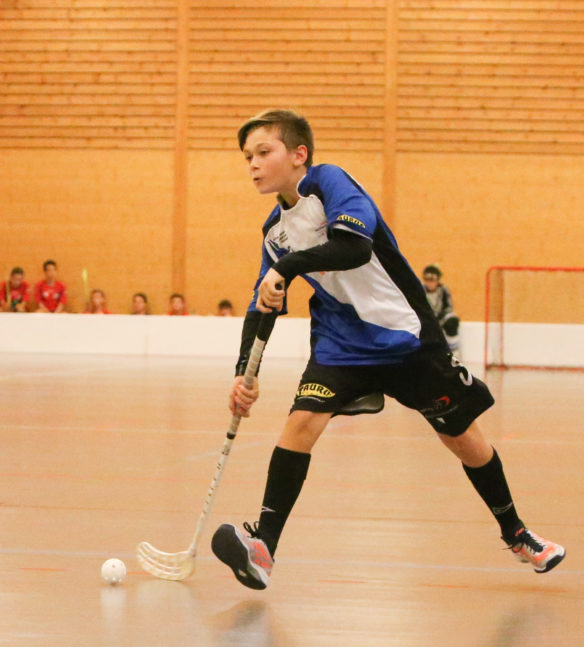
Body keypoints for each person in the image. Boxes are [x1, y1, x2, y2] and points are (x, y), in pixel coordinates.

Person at [211, 108, 565, 590]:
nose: (252, 164)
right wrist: (242, 373)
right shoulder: (274, 232)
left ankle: (517, 533)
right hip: (341, 346)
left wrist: (288, 268)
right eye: (246, 157)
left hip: (405, 339)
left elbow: (353, 246)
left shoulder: (330, 182)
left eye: (263, 152)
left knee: (463, 438)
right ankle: (264, 547)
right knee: (300, 424)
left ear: (299, 155)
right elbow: (262, 305)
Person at [421, 265, 461, 355]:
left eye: (433, 281)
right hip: (427, 317)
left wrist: (440, 316)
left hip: (441, 316)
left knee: (452, 321)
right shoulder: (421, 290)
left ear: (437, 281)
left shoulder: (443, 289)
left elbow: (449, 306)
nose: (430, 283)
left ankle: (454, 351)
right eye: (427, 281)